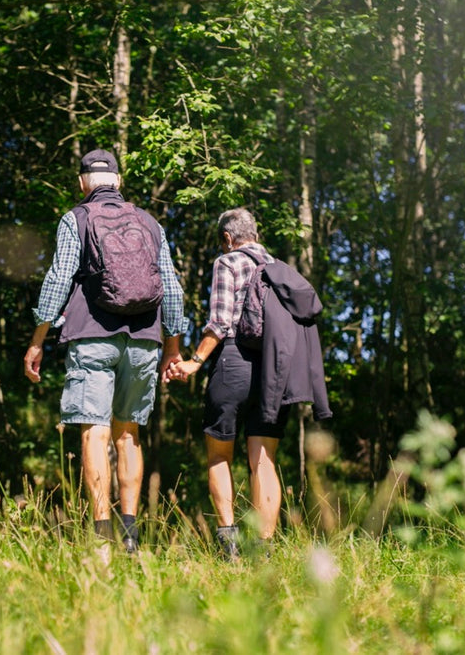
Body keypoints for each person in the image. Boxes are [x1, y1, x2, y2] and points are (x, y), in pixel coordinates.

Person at [24, 149, 187, 554]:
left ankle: (101, 539)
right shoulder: (150, 222)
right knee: (128, 432)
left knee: (94, 433)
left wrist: (37, 339)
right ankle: (130, 537)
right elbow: (172, 286)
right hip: (145, 339)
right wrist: (173, 347)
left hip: (92, 335)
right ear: (118, 181)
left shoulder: (75, 218)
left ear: (83, 183)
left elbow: (59, 278)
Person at [164, 207, 331, 559]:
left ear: (228, 238)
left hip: (234, 363)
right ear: (255, 233)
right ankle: (264, 549)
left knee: (219, 454)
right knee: (264, 460)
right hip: (276, 372)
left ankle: (229, 546)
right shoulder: (281, 270)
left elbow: (221, 322)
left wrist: (194, 362)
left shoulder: (229, 262)